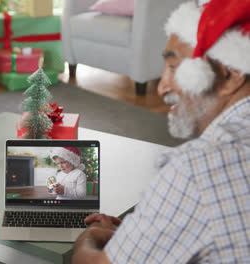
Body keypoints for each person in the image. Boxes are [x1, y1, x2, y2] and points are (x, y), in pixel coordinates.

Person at [72, 0, 250, 263]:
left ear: (232, 75)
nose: (162, 87)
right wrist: (139, 235)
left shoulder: (196, 170)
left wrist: (87, 239)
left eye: (175, 68)